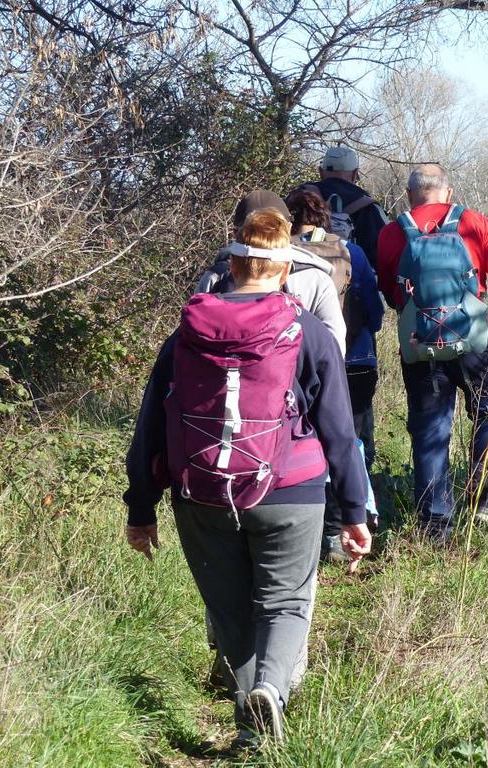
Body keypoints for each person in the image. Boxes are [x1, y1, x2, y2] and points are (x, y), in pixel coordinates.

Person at [124, 207, 371, 749]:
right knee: (285, 602)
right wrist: (354, 512)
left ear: (231, 267)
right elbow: (338, 428)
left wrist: (140, 508)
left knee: (232, 609)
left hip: (202, 492)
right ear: (284, 272)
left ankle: (249, 731)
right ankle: (271, 690)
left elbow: (151, 426)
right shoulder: (306, 332)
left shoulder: (186, 335)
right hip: (292, 492)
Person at [375, 163, 488, 541]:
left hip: (421, 349)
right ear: (449, 192)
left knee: (430, 431)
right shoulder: (473, 223)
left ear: (411, 195)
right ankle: (487, 505)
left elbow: (391, 294)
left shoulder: (393, 233)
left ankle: (434, 525)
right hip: (475, 343)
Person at [285, 187, 385, 560]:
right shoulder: (350, 252)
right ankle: (349, 523)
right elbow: (374, 313)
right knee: (349, 441)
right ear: (325, 216)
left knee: (297, 443)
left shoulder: (275, 258)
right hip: (352, 361)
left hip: (289, 369)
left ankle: (310, 531)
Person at [197, 190, 347, 353]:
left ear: (235, 233)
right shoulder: (317, 280)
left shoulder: (215, 279)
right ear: (289, 229)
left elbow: (188, 345)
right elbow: (335, 349)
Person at [303, 146, 389, 269]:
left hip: (297, 280)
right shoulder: (368, 207)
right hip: (351, 282)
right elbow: (382, 257)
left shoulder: (299, 198)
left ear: (320, 172)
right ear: (355, 174)